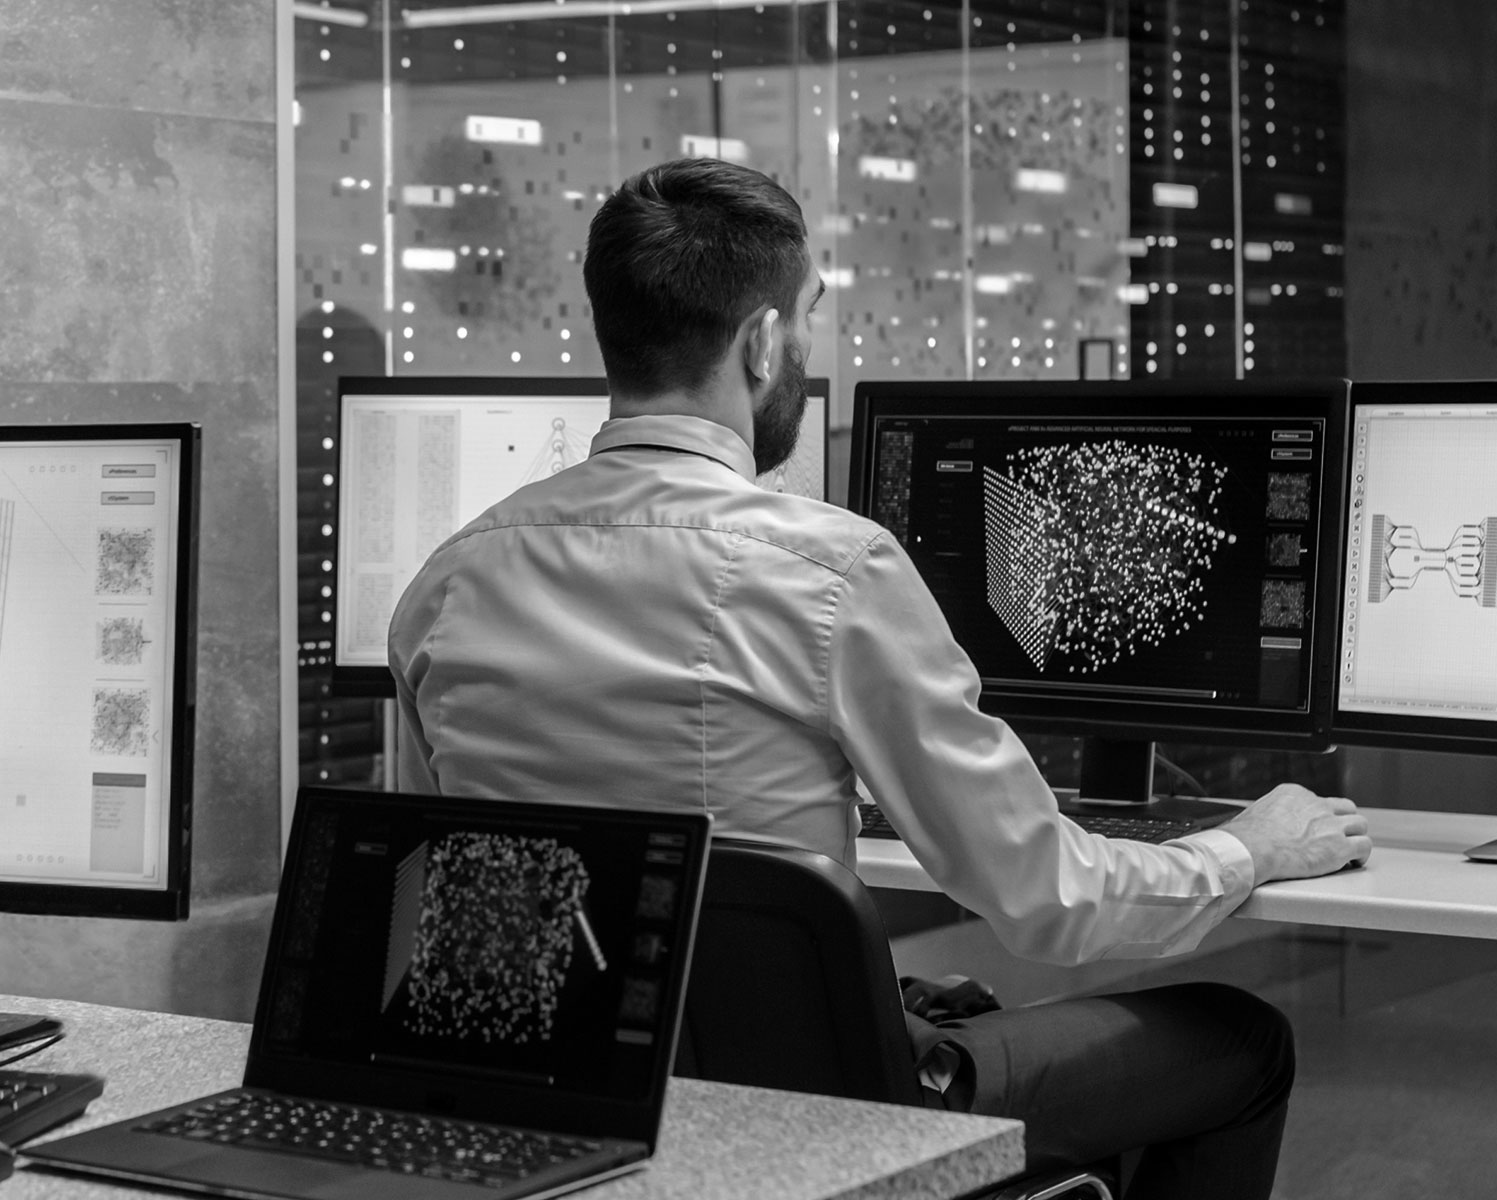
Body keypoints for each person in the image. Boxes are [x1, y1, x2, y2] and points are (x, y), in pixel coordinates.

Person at [388, 157, 1372, 1200]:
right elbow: (1050, 901)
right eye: (807, 320)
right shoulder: (828, 572)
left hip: (568, 1116)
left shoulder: (448, 581)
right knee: (1238, 1040)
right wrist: (1247, 848)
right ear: (764, 342)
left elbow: (437, 894)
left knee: (958, 1003)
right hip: (816, 1127)